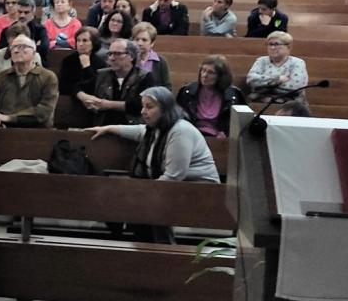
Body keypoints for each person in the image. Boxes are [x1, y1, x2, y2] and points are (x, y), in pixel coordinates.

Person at [89, 86, 219, 242]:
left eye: (149, 107)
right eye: (143, 106)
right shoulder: (157, 129)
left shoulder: (180, 131)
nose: (143, 111)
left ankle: (163, 250)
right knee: (113, 196)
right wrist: (109, 128)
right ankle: (144, 246)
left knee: (141, 203)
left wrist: (141, 192)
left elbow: (174, 177)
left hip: (198, 191)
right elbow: (139, 131)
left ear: (165, 109)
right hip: (174, 188)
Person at [0, 34, 59, 128]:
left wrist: (9, 118)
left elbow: (44, 111)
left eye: (22, 47)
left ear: (34, 52)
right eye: (13, 47)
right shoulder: (2, 77)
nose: (16, 50)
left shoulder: (48, 77)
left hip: (37, 132)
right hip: (5, 130)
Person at [77, 38, 154, 125]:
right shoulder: (102, 74)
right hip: (102, 128)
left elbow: (139, 105)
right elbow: (76, 87)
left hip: (131, 129)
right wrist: (83, 97)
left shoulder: (144, 76)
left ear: (131, 56)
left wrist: (107, 104)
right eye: (110, 54)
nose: (112, 58)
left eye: (117, 54)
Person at [176, 56, 243, 138]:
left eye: (211, 73)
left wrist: (227, 133)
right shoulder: (187, 91)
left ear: (220, 76)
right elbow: (179, 118)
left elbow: (239, 123)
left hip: (221, 138)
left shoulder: (233, 95)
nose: (204, 75)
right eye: (203, 70)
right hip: (191, 135)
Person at [245, 32, 309, 108]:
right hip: (261, 102)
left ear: (288, 47)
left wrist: (264, 85)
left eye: (276, 44)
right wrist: (278, 79)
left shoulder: (297, 62)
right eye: (270, 44)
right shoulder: (261, 61)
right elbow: (251, 80)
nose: (272, 47)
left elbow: (296, 86)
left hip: (291, 105)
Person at [58, 27, 104, 98]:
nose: (80, 44)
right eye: (78, 40)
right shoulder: (68, 60)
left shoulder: (100, 63)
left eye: (85, 41)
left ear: (94, 43)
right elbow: (63, 86)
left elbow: (97, 87)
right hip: (70, 99)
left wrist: (87, 68)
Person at [130, 22, 171, 89]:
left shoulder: (160, 61)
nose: (139, 43)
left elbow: (167, 87)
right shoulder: (127, 59)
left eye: (144, 40)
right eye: (137, 39)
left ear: (152, 43)